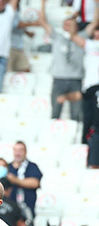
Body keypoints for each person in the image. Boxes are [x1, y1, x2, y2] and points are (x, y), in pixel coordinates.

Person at [38, 0, 84, 121]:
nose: (68, 26)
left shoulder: (81, 38)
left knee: (76, 115)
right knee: (55, 113)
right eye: (66, 24)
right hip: (59, 79)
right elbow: (42, 21)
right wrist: (43, 4)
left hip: (76, 79)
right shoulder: (57, 36)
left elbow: (94, 23)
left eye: (71, 24)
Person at [68, 0, 99, 143]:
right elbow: (73, 36)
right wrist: (74, 18)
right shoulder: (90, 44)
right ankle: (86, 144)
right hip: (91, 86)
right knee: (88, 118)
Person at [6, 141, 42, 226]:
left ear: (25, 152)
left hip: (27, 212)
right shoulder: (8, 167)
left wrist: (15, 180)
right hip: (9, 212)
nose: (18, 153)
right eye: (16, 150)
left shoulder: (32, 167)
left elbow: (35, 183)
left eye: (21, 150)